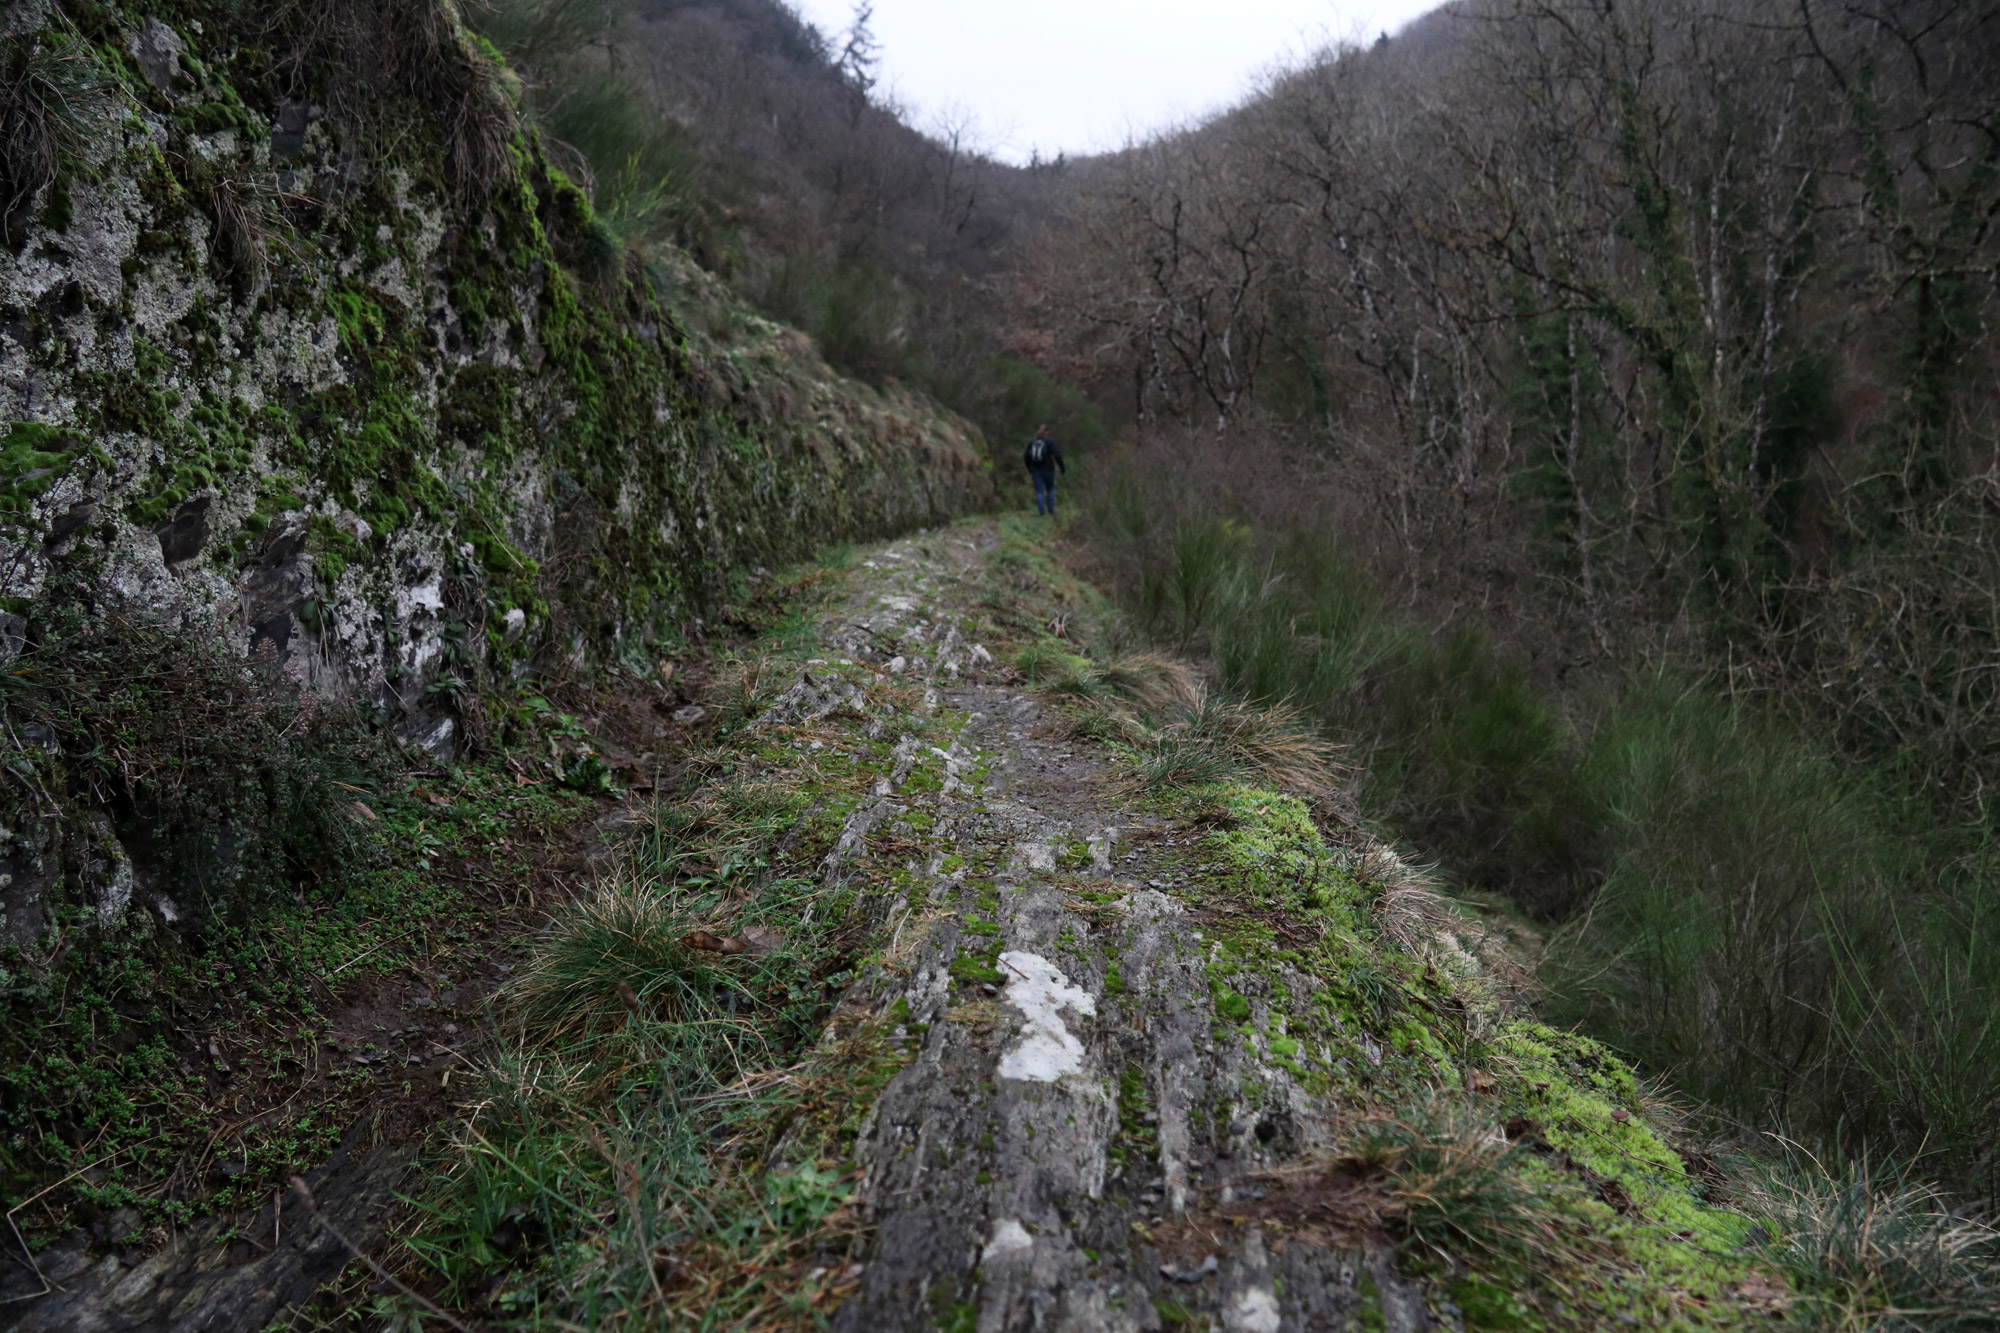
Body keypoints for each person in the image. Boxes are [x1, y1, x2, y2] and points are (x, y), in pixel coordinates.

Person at [1024, 424, 1066, 516]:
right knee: (1050, 489)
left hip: (1036, 469)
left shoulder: (1032, 441)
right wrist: (1062, 467)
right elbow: (1057, 455)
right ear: (1047, 432)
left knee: (1039, 491)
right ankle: (1051, 510)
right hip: (1048, 469)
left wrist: (1029, 467)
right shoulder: (1050, 441)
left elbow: (1026, 456)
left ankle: (1041, 511)